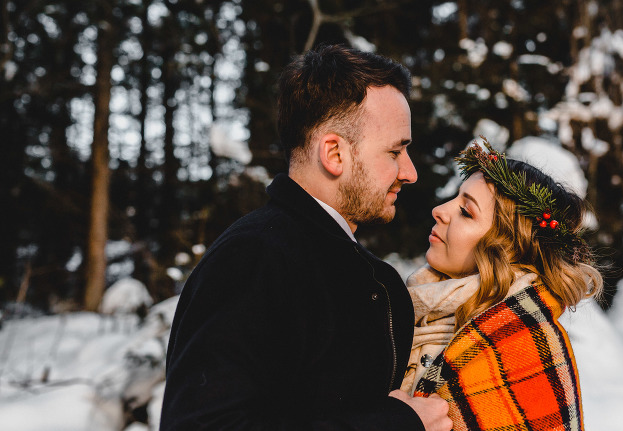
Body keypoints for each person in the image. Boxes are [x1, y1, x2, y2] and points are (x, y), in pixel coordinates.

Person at [160, 45, 451, 431]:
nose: (410, 172)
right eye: (395, 151)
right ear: (334, 153)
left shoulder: (347, 267)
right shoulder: (254, 259)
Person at [401, 138, 603, 431]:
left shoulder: (526, 347)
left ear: (507, 248)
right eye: (455, 199)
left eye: (466, 212)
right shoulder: (410, 307)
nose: (440, 210)